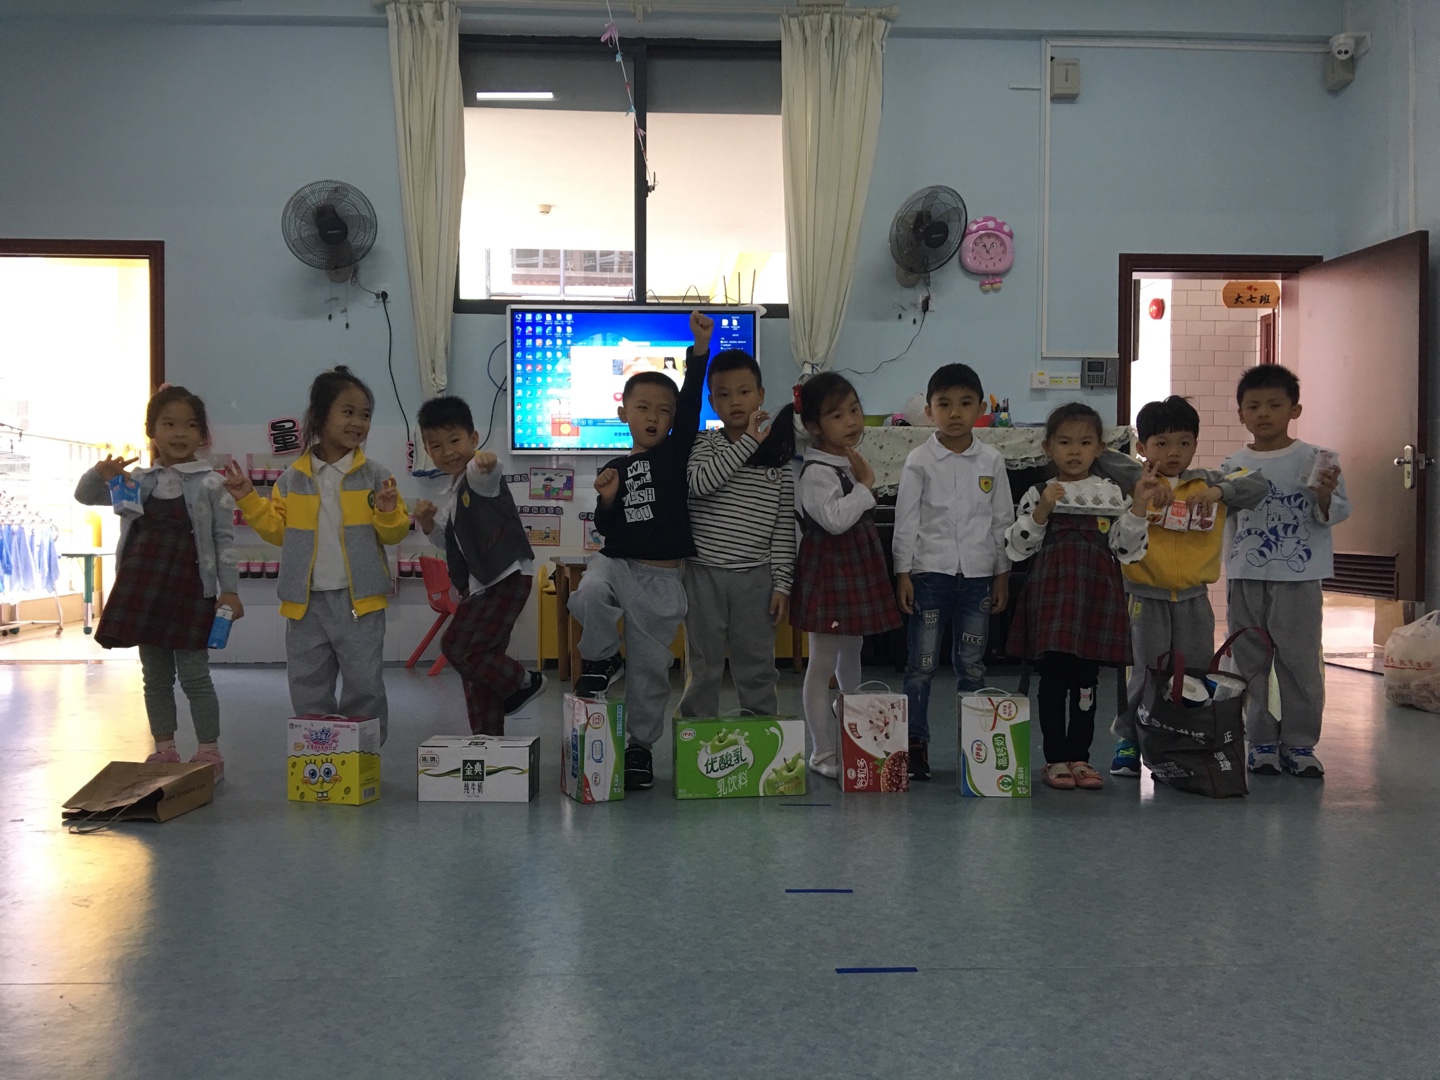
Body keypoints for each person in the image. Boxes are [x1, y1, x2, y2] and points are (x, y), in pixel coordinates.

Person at [222, 366, 408, 744]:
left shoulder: (376, 476)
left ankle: (364, 756)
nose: (358, 422)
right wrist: (248, 499)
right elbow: (278, 532)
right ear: (320, 416)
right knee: (308, 684)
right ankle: (318, 754)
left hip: (359, 603)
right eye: (348, 412)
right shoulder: (292, 479)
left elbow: (393, 534)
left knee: (364, 684)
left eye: (365, 415)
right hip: (305, 605)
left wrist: (388, 512)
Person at [569, 311, 711, 790]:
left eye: (664, 411)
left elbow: (691, 403)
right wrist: (608, 499)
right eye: (644, 407)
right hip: (615, 564)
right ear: (623, 414)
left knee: (651, 672)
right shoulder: (614, 467)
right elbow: (606, 527)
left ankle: (639, 749)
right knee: (587, 595)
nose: (654, 416)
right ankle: (603, 659)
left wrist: (699, 350)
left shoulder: (674, 453)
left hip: (662, 579)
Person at [75, 385, 239, 779]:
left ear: (203, 435)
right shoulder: (137, 479)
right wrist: (100, 473)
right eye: (169, 424)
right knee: (156, 677)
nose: (180, 433)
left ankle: (209, 751)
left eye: (191, 425)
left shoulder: (211, 483)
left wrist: (230, 590)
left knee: (196, 675)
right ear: (152, 431)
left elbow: (224, 540)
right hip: (144, 587)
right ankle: (164, 749)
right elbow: (85, 496)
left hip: (190, 589)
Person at [1005, 402, 1165, 791]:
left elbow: (1126, 549)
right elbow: (1017, 548)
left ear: (1099, 449)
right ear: (1048, 447)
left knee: (1086, 680)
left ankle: (1081, 757)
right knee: (1053, 679)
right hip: (1053, 598)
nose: (1074, 451)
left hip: (1095, 597)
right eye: (1064, 442)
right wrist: (1042, 510)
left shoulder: (1111, 493)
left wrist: (1139, 506)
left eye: (1085, 442)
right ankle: (1054, 759)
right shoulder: (1039, 492)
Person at [1107, 395, 1268, 776]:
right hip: (1144, 596)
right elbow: (1102, 457)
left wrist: (1217, 493)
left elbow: (1257, 483)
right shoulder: (1137, 483)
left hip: (1195, 598)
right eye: (1161, 443)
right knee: (1146, 672)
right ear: (1143, 447)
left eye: (1184, 442)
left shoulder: (1207, 482)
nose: (1173, 452)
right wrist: (1144, 481)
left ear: (1196, 443)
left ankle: (1182, 741)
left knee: (1194, 674)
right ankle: (1129, 740)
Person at [1220, 365, 1349, 778]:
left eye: (1274, 405)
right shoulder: (1233, 464)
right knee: (1250, 661)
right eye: (1253, 406)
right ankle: (1259, 741)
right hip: (1246, 574)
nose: (1264, 413)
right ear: (1241, 414)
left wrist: (1325, 495)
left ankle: (1299, 743)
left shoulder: (1317, 459)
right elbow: (1222, 519)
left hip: (1299, 576)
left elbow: (1335, 512)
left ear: (1295, 409)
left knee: (1300, 662)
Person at [893, 363, 1014, 781]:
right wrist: (903, 573)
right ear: (929, 411)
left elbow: (1002, 521)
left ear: (981, 408)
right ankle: (915, 744)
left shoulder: (992, 460)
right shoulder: (919, 460)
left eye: (965, 403)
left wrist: (1002, 574)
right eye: (944, 404)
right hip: (930, 575)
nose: (955, 412)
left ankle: (976, 750)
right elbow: (906, 520)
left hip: (978, 579)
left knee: (972, 666)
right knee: (921, 665)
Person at [789, 373, 903, 779]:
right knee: (821, 661)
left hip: (853, 567)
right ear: (814, 426)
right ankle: (822, 752)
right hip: (829, 572)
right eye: (837, 415)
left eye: (854, 410)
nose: (852, 421)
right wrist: (866, 486)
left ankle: (849, 724)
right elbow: (835, 520)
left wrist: (862, 484)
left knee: (852, 649)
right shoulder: (817, 470)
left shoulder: (846, 459)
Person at [412, 396, 544, 736]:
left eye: (454, 440)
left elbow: (489, 472)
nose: (447, 452)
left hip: (505, 576)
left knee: (457, 646)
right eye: (436, 446)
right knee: (478, 666)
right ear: (427, 450)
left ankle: (524, 682)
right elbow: (445, 540)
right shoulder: (454, 491)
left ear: (473, 438)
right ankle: (487, 740)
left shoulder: (477, 475)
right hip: (484, 584)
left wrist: (487, 462)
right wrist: (427, 523)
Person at [679, 349, 797, 719]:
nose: (735, 401)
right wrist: (748, 441)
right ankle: (695, 734)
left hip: (756, 577)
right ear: (711, 401)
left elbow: (783, 526)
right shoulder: (705, 443)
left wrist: (782, 584)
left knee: (757, 664)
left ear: (760, 395)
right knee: (704, 665)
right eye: (724, 394)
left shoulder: (778, 458)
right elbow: (700, 483)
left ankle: (762, 732)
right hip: (703, 573)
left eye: (744, 392)